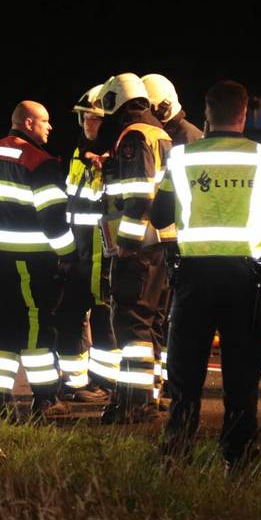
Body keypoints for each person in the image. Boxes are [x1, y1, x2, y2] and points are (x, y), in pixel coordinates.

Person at [153, 80, 261, 469]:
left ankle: (176, 451)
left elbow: (158, 215)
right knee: (242, 370)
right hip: (246, 277)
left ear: (206, 113)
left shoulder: (181, 159)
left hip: (193, 275)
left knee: (185, 368)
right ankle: (237, 457)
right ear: (243, 114)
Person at [0, 101, 76, 419]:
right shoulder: (41, 162)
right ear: (27, 123)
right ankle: (47, 400)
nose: (49, 127)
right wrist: (68, 253)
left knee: (1, 324)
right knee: (37, 325)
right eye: (44, 121)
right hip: (31, 260)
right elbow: (53, 218)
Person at [95, 73, 173, 423]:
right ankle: (144, 398)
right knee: (150, 323)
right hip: (160, 245)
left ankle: (135, 405)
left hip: (138, 248)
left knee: (132, 324)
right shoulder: (159, 132)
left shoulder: (135, 135)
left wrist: (125, 244)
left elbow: (140, 194)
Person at [141, 73, 203, 408]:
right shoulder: (173, 134)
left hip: (177, 243)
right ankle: (161, 384)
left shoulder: (186, 138)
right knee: (161, 319)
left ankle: (167, 387)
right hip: (168, 242)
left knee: (169, 321)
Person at [53, 85, 114, 402]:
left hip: (105, 252)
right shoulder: (78, 152)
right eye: (86, 118)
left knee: (106, 319)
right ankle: (76, 383)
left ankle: (105, 382)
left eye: (95, 118)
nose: (89, 123)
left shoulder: (121, 151)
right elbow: (73, 195)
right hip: (81, 251)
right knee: (74, 316)